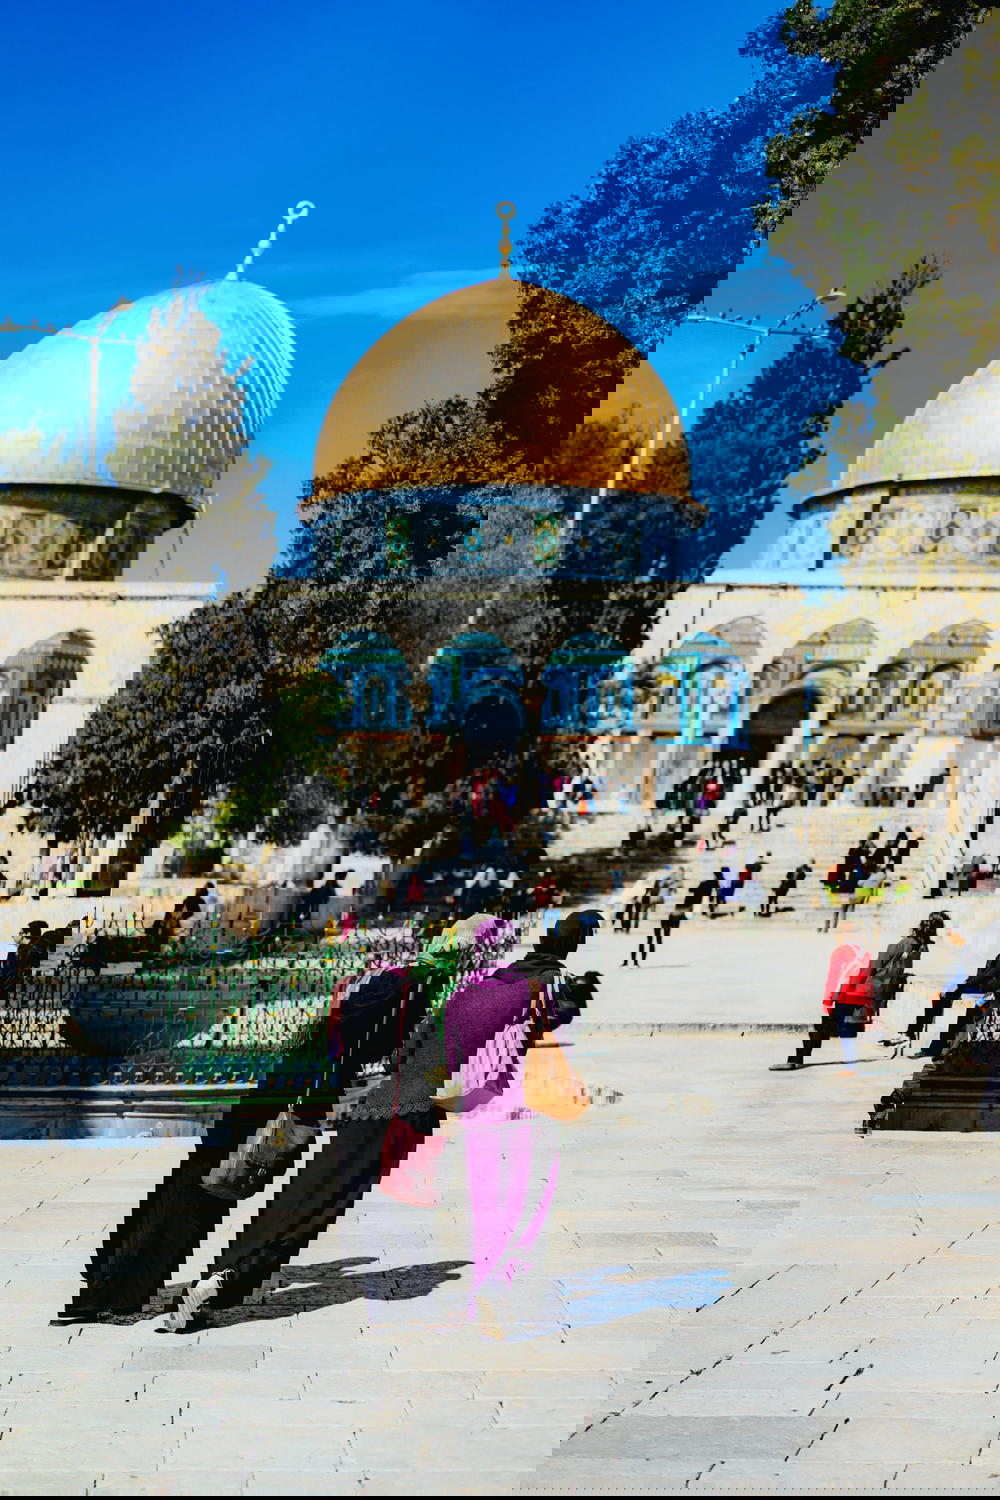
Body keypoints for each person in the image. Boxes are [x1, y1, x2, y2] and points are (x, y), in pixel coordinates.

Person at [57, 910, 601, 1330]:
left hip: (306, 1101)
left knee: (221, 1184)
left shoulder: (391, 981)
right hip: (386, 1111)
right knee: (302, 1205)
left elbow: (324, 1039)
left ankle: (114, 1289)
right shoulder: (495, 998)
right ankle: (224, 1279)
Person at [769, 911, 950, 1071]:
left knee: (833, 1024)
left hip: (869, 990)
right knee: (834, 1024)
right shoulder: (909, 944)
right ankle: (797, 1058)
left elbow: (880, 965)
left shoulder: (913, 944)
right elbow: (880, 965)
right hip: (869, 991)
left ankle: (797, 1058)